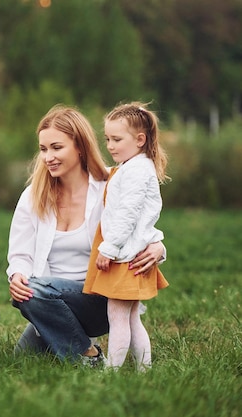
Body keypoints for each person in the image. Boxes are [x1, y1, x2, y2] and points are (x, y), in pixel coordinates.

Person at [7, 105, 166, 366]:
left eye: (57, 148)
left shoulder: (110, 185)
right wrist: (17, 275)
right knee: (22, 358)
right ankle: (82, 346)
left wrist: (159, 247)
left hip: (100, 299)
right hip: (48, 303)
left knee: (37, 292)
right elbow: (20, 253)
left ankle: (89, 358)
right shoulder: (32, 196)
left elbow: (138, 219)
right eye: (43, 149)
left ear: (79, 146)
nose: (48, 157)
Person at [83, 102, 169, 371]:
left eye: (117, 139)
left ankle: (112, 370)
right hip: (131, 253)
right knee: (132, 319)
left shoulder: (135, 171)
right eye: (107, 138)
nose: (110, 145)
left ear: (140, 140)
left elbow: (127, 213)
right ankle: (144, 370)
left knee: (117, 317)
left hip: (125, 257)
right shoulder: (132, 167)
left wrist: (109, 248)